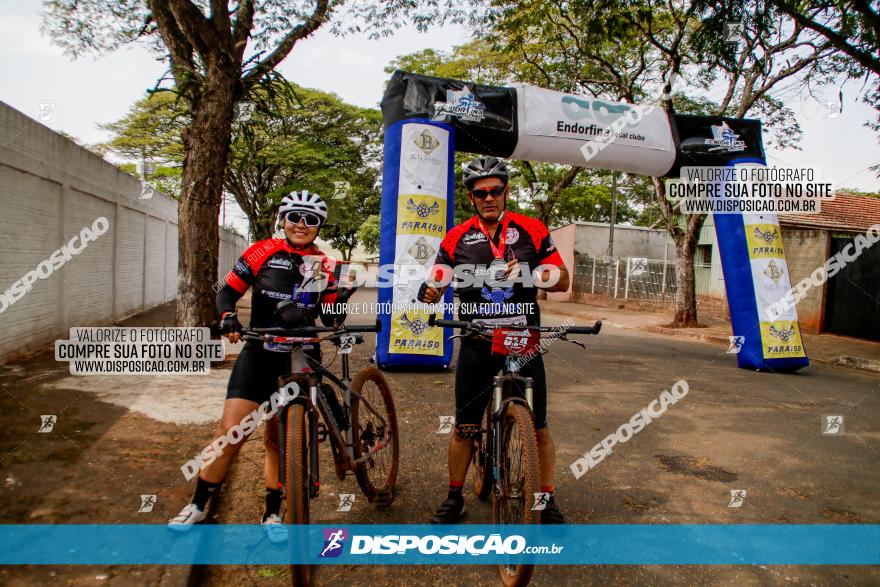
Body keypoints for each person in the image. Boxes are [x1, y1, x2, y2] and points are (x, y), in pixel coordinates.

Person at [169, 190, 345, 540]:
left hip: (300, 357)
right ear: (283, 219)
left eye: (311, 220)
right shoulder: (261, 251)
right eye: (295, 217)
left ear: (319, 227)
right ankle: (199, 504)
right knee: (230, 433)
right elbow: (227, 292)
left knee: (279, 440)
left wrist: (339, 301)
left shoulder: (325, 264)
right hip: (259, 352)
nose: (302, 225)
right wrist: (229, 317)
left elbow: (328, 318)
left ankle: (273, 510)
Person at [418, 156, 571, 524]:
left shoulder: (532, 229)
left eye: (495, 190)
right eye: (480, 192)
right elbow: (438, 277)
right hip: (476, 340)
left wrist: (533, 274)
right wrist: (431, 289)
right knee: (465, 426)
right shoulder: (456, 237)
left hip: (522, 341)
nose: (488, 198)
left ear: (505, 191)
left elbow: (563, 280)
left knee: (539, 427)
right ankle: (454, 496)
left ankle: (545, 499)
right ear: (471, 197)